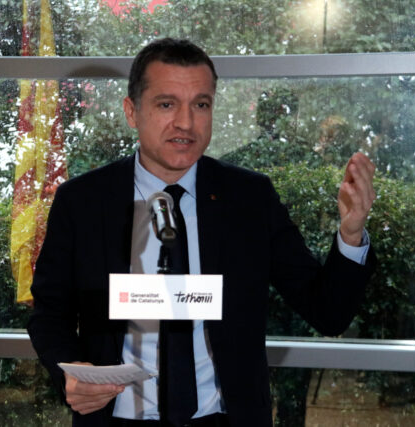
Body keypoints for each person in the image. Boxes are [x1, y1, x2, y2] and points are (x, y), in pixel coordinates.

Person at [27, 38, 377, 427]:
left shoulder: (250, 198)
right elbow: (49, 314)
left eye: (201, 105)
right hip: (116, 419)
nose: (186, 122)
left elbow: (327, 313)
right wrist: (71, 372)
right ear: (132, 111)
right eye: (166, 104)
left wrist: (351, 234)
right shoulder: (83, 201)